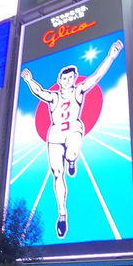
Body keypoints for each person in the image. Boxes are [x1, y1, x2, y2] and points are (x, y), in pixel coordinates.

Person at [21, 41, 123, 239]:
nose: (68, 80)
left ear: (74, 79)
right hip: (56, 135)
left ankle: (72, 160)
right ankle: (62, 214)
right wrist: (28, 80)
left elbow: (96, 76)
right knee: (57, 174)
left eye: (71, 77)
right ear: (59, 80)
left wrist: (111, 55)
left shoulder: (78, 91)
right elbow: (39, 91)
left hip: (74, 129)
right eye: (64, 78)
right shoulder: (53, 97)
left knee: (73, 152)